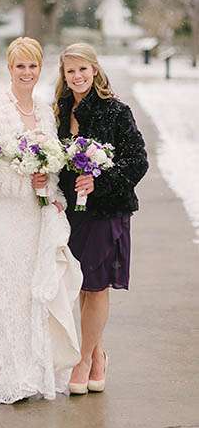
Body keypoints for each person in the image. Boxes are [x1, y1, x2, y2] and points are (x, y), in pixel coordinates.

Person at [0, 37, 82, 405]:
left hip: (34, 214)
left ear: (40, 68)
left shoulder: (47, 112)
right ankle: (0, 375)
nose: (26, 73)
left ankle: (30, 373)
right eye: (19, 66)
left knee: (32, 293)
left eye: (32, 66)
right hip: (2, 213)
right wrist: (17, 175)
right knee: (3, 291)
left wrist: (51, 191)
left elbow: (54, 167)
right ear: (9, 68)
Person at [54, 43, 148, 394]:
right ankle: (98, 354)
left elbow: (138, 161)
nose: (77, 76)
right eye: (70, 71)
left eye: (83, 69)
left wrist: (99, 181)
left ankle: (83, 359)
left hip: (107, 211)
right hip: (73, 217)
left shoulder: (116, 112)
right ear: (63, 76)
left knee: (96, 286)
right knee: (82, 285)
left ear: (95, 70)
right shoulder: (60, 114)